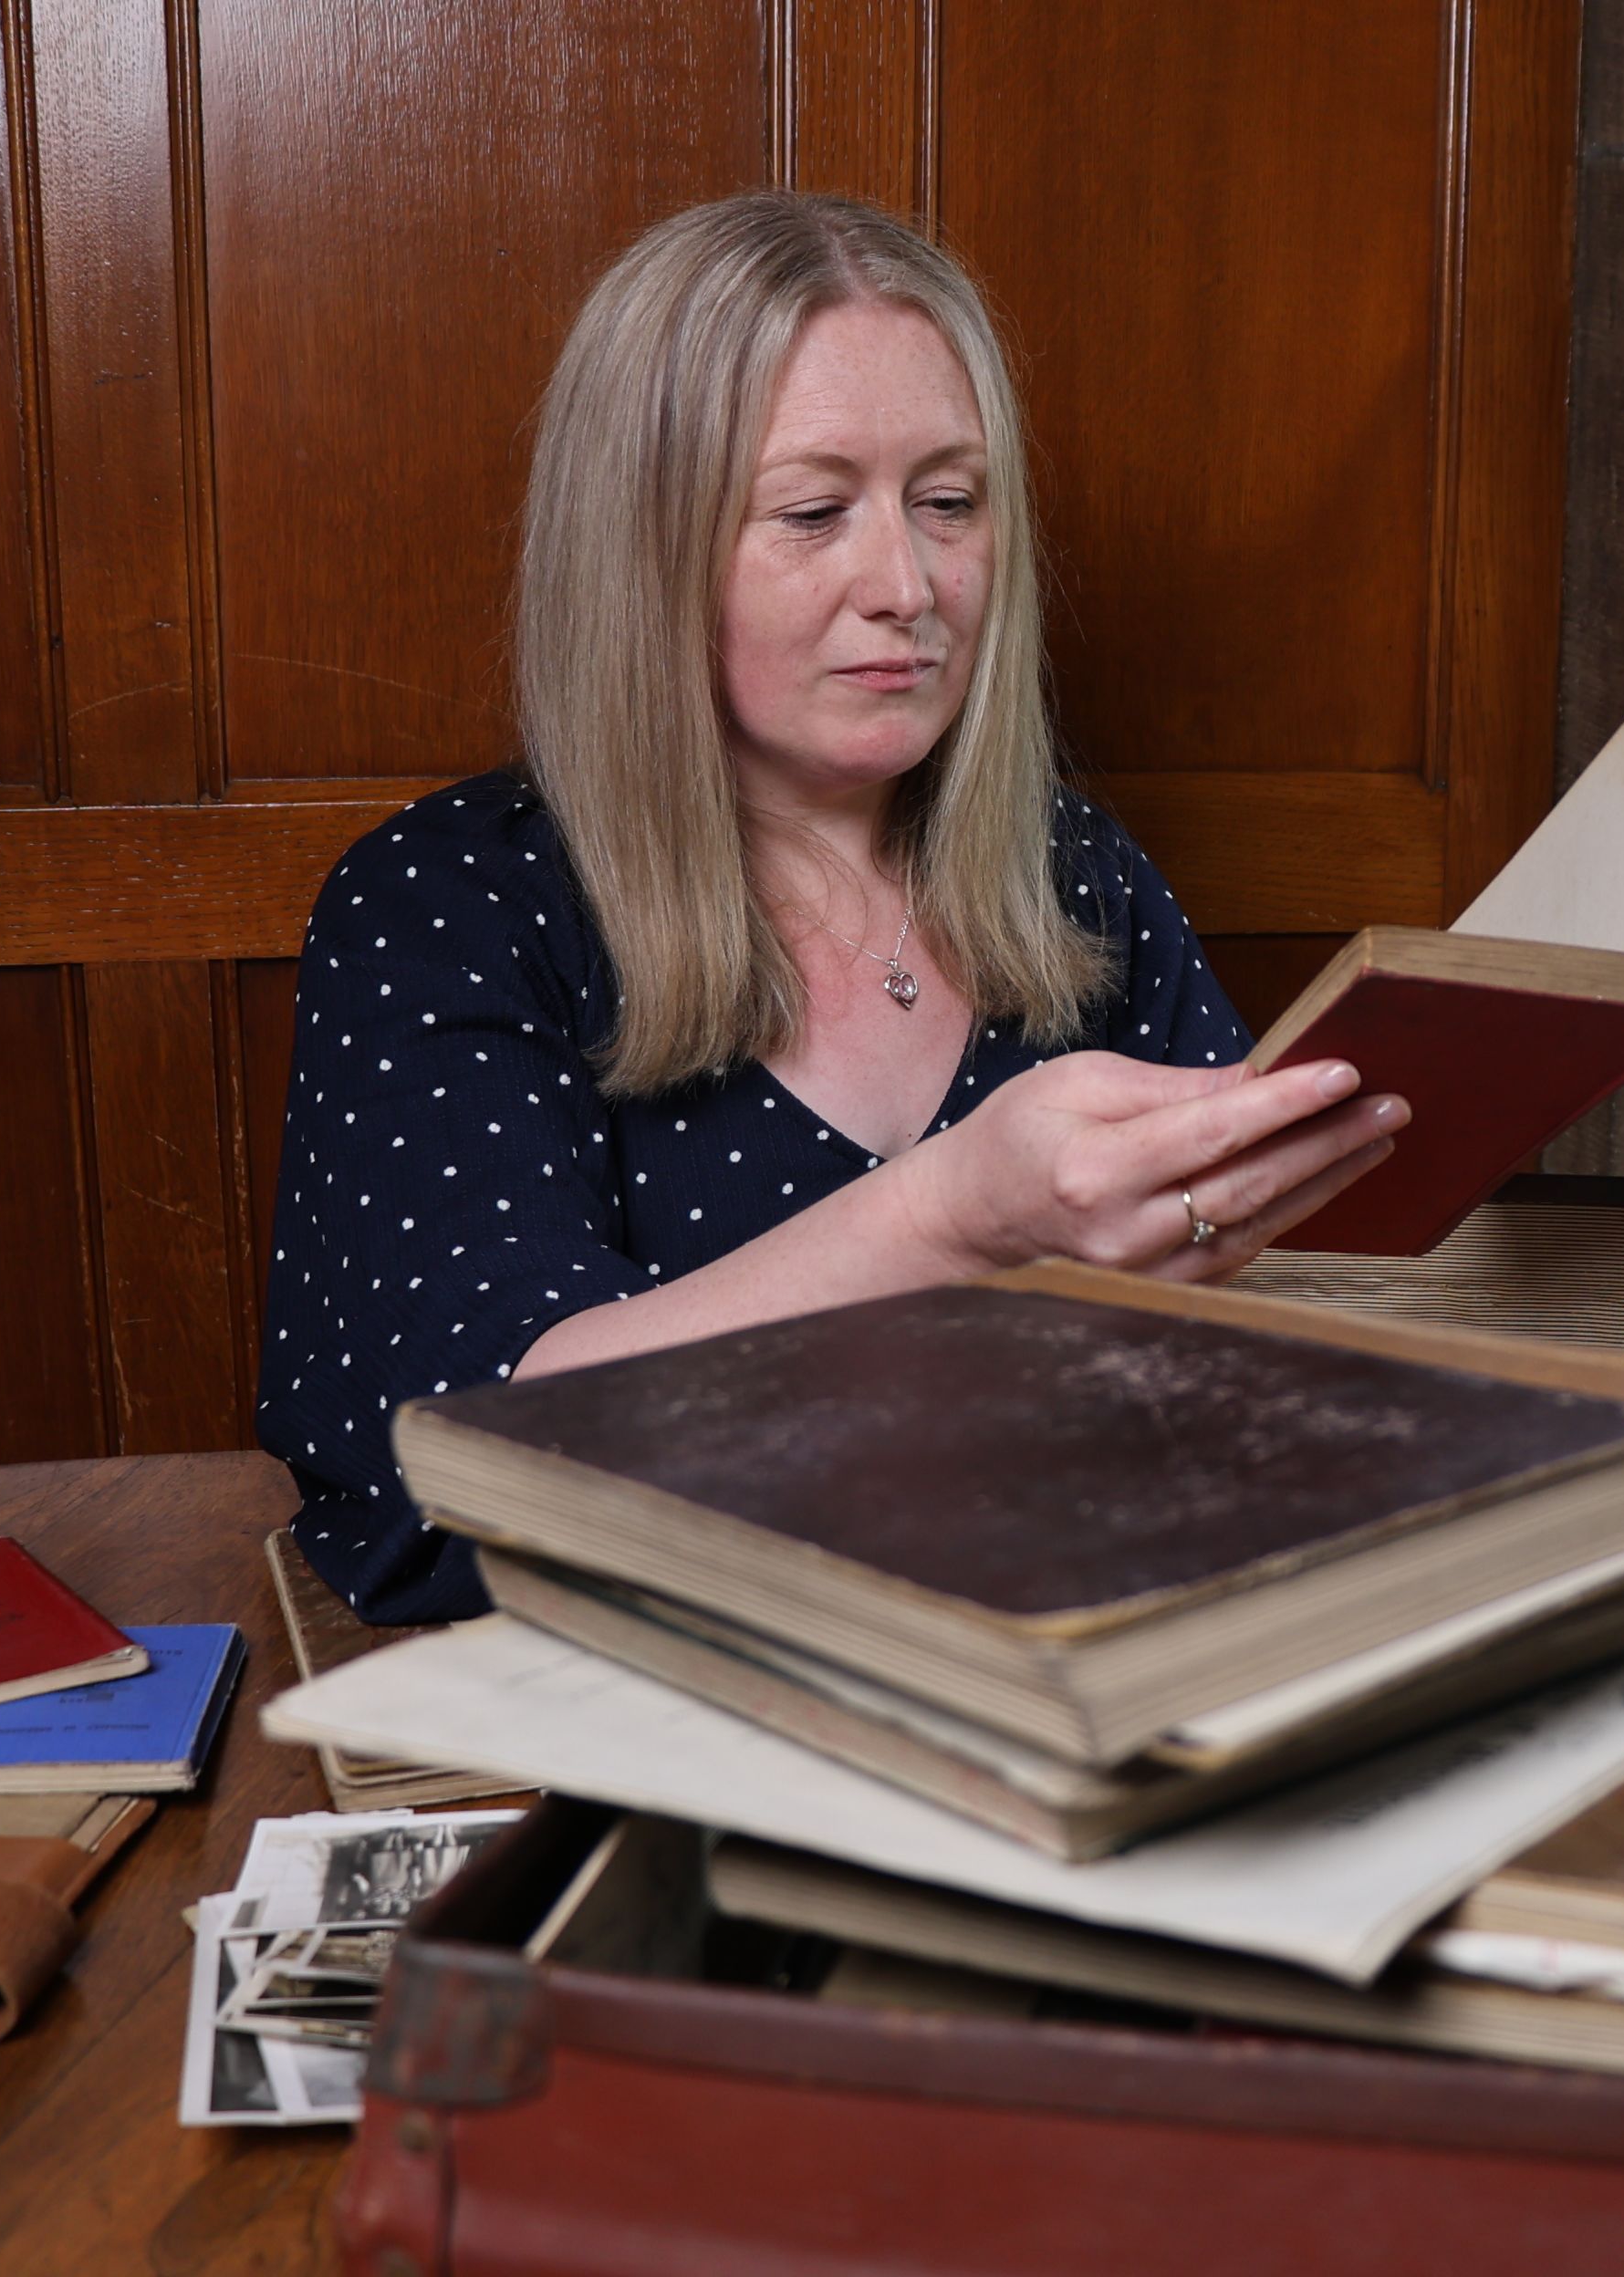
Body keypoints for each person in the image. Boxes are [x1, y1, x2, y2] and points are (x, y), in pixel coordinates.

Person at [258, 192, 1407, 1623]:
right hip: (631, 1694)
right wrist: (957, 1218)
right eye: (813, 513)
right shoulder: (447, 900)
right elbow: (481, 1437)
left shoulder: (1074, 866)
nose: (910, 587)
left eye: (949, 503)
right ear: (644, 552)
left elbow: (1241, 1338)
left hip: (1053, 1648)